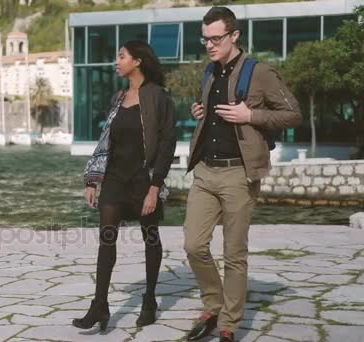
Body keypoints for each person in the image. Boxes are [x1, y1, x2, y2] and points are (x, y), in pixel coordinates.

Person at [183, 7, 302, 342]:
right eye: (205, 39)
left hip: (240, 174)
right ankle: (213, 303)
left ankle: (229, 324)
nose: (209, 45)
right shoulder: (210, 72)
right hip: (206, 171)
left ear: (235, 35)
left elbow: (293, 114)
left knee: (234, 253)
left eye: (216, 38)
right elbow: (211, 111)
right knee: (193, 245)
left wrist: (251, 114)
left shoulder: (260, 71)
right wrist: (200, 111)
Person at [73, 40, 177, 331]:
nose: (116, 62)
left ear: (138, 61)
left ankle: (149, 300)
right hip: (116, 179)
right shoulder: (118, 97)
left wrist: (155, 187)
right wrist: (93, 179)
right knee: (106, 238)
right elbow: (107, 139)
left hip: (144, 179)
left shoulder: (159, 97)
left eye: (121, 56)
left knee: (150, 236)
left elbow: (168, 143)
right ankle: (100, 306)